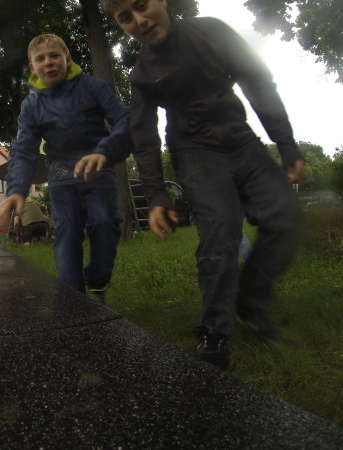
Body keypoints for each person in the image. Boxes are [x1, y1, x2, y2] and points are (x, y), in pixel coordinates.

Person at [101, 0, 305, 369]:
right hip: (195, 152)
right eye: (126, 18)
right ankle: (215, 328)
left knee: (285, 214)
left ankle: (250, 301)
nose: (140, 20)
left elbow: (256, 80)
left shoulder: (210, 30)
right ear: (120, 26)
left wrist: (285, 141)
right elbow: (143, 135)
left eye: (142, 5)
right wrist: (156, 193)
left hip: (241, 141)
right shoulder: (142, 74)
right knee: (220, 229)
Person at [0, 33, 132, 302]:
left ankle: (97, 283)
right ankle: (73, 298)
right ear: (32, 67)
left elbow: (123, 120)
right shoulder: (32, 105)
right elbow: (23, 149)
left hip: (98, 169)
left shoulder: (93, 87)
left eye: (54, 56)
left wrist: (105, 151)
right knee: (67, 235)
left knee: (105, 224)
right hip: (61, 176)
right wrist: (16, 190)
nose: (48, 62)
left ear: (67, 60)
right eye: (40, 59)